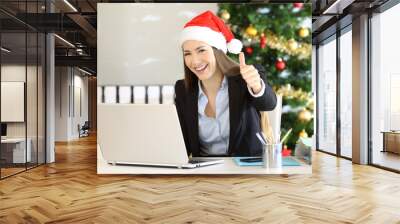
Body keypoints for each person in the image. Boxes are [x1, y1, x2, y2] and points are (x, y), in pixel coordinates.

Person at [175, 10, 277, 157]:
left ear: (218, 51)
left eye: (201, 50)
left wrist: (256, 86)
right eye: (187, 54)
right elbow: (182, 141)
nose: (195, 61)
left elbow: (269, 104)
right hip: (204, 171)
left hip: (246, 168)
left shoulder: (245, 77)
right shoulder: (182, 89)